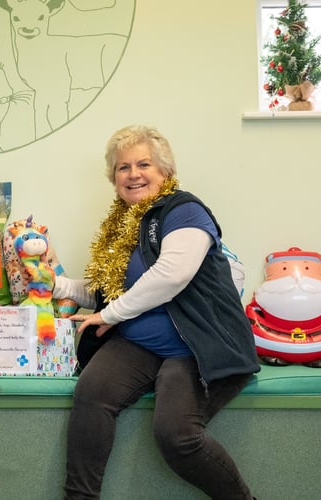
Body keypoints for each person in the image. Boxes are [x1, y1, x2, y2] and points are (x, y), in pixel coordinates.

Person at [55, 125, 260, 499]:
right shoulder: (122, 225)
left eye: (144, 164)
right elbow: (108, 290)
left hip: (196, 347)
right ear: (113, 178)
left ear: (165, 171)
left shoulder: (185, 210)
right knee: (91, 393)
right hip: (139, 344)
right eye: (123, 167)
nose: (133, 174)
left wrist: (109, 315)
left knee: (177, 435)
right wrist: (52, 283)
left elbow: (171, 276)